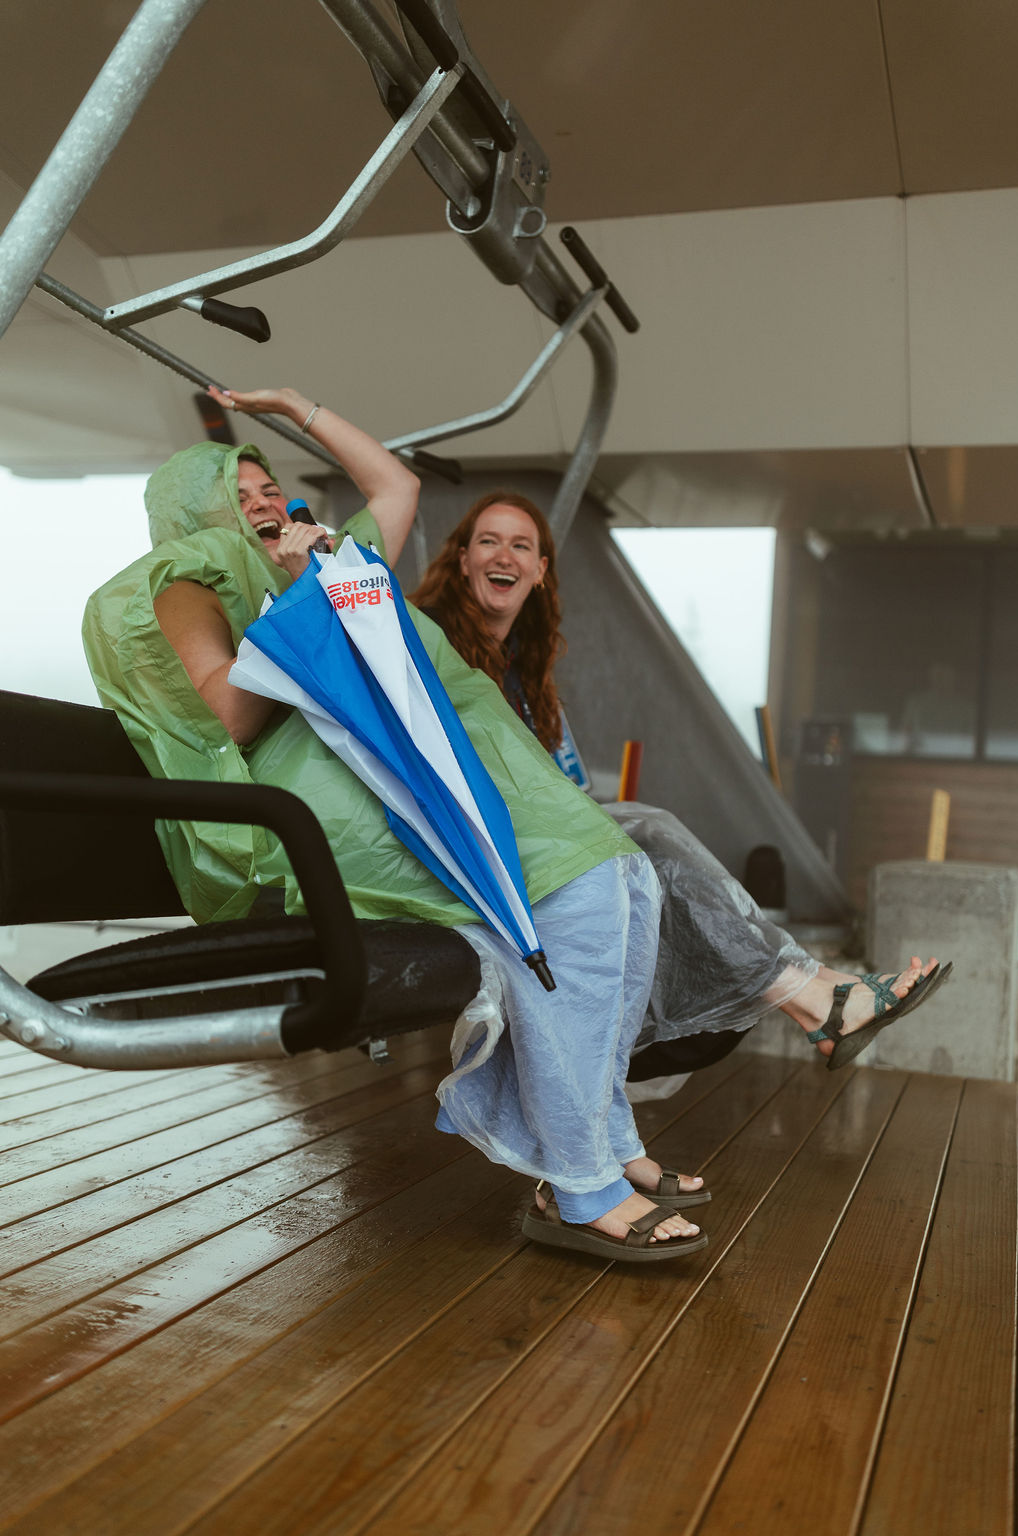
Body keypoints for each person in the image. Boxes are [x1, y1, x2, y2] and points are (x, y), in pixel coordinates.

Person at [82, 385, 713, 1265]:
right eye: (243, 490)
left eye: (273, 488)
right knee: (559, 903)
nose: (267, 502)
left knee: (619, 880)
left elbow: (395, 488)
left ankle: (597, 1146)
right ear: (198, 511)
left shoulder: (317, 562)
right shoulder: (190, 576)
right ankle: (581, 1180)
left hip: (371, 788)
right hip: (300, 819)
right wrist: (312, 602)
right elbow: (230, 714)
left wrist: (295, 410)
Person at [409, 490, 949, 1080]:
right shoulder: (425, 642)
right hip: (471, 848)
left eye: (521, 545)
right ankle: (820, 995)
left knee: (649, 859)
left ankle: (819, 991)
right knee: (652, 831)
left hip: (535, 843)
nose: (502, 555)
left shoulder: (524, 667)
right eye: (488, 541)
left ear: (540, 572)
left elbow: (560, 783)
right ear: (461, 559)